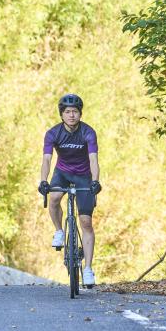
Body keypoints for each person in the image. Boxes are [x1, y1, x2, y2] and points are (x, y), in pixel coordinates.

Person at [38, 94, 101, 287]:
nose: (71, 115)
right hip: (62, 172)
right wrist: (43, 180)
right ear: (62, 114)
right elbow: (47, 159)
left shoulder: (88, 132)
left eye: (75, 111)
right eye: (67, 112)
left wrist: (95, 181)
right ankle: (59, 231)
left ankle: (88, 269)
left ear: (80, 113)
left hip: (83, 175)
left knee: (86, 222)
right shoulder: (53, 133)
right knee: (54, 197)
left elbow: (93, 159)